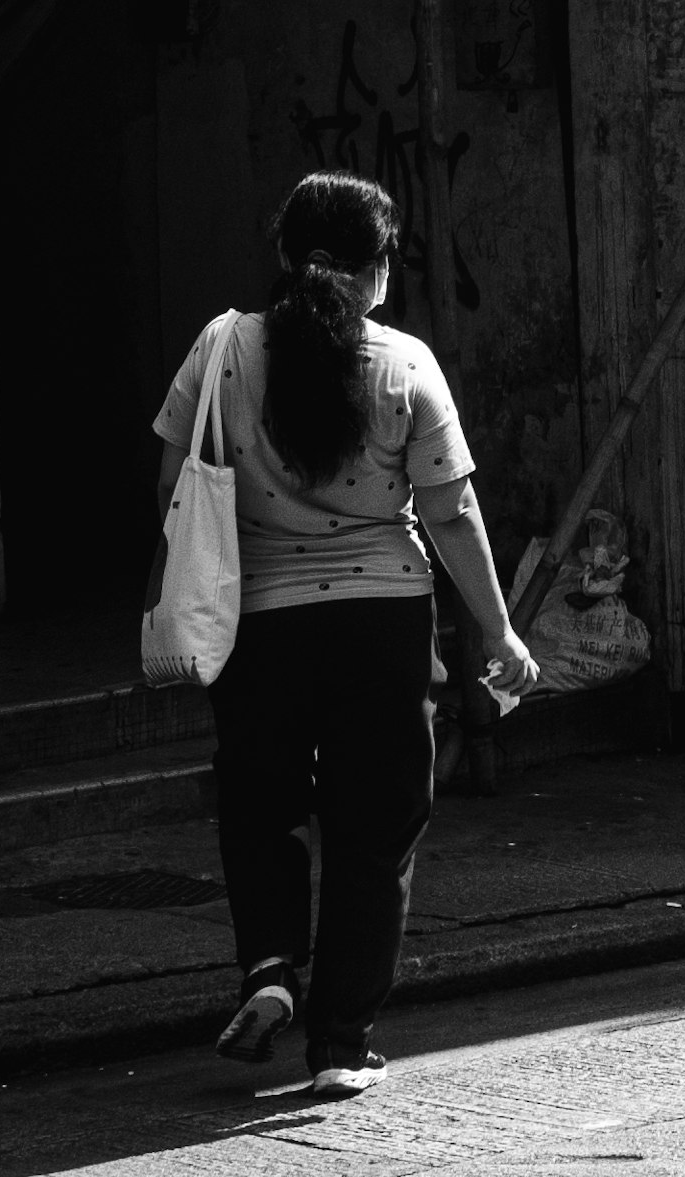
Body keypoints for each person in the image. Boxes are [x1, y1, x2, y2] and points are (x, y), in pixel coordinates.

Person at [152, 169, 540, 1096]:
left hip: (259, 627)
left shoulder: (223, 350)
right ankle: (340, 1042)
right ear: (377, 273)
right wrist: (499, 630)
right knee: (375, 828)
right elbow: (452, 515)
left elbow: (173, 476)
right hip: (383, 628)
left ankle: (272, 970)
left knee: (262, 806)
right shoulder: (405, 365)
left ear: (287, 259)